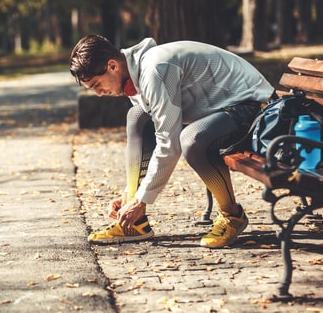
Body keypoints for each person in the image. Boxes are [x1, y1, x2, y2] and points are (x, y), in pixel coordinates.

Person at [69, 35, 275, 248]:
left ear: (112, 66)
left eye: (96, 84)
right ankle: (135, 224)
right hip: (221, 109)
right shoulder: (132, 72)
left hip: (254, 107)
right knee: (138, 117)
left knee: (192, 138)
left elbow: (169, 142)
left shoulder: (155, 70)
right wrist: (130, 196)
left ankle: (232, 215)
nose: (98, 94)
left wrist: (141, 200)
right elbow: (156, 125)